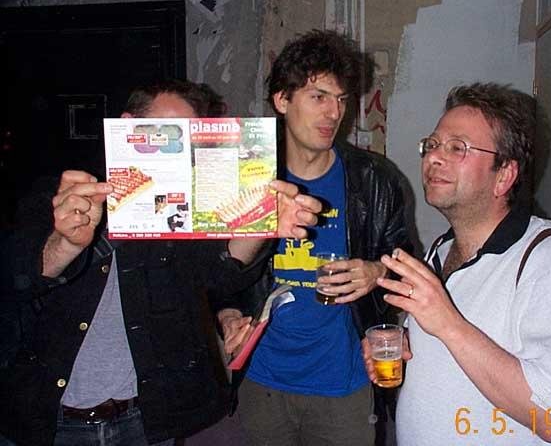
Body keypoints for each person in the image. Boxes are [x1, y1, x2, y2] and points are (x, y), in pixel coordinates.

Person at [0, 79, 321, 446]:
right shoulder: (63, 195)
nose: (173, 150)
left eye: (186, 141)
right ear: (127, 127)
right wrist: (67, 242)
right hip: (49, 421)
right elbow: (20, 276)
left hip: (142, 421)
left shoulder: (185, 212)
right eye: (164, 134)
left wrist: (261, 225)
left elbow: (221, 275)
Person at [365, 83, 551, 445]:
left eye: (457, 147)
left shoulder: (550, 263)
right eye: (432, 144)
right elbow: (453, 350)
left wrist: (447, 323)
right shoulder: (441, 249)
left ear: (504, 175)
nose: (434, 157)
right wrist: (402, 345)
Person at [216, 29, 411, 445]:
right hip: (263, 380)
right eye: (319, 96)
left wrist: (376, 271)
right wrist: (227, 313)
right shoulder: (247, 178)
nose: (333, 112)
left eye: (341, 99)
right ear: (282, 100)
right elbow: (218, 270)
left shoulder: (374, 179)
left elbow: (407, 266)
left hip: (343, 384)